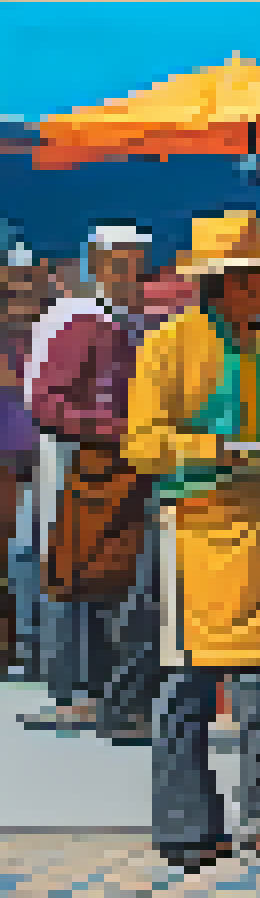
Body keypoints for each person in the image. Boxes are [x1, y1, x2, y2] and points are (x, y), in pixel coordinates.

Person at [122, 211, 260, 872]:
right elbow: (143, 443)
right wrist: (215, 450)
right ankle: (185, 826)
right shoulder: (170, 346)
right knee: (187, 684)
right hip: (193, 532)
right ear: (222, 284)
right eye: (257, 277)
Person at [24, 225, 161, 745]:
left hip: (107, 468)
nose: (135, 279)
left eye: (140, 268)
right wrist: (116, 428)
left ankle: (97, 693)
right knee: (77, 576)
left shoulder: (117, 322)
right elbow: (46, 402)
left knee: (104, 580)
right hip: (80, 469)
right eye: (124, 266)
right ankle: (77, 693)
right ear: (100, 266)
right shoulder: (82, 323)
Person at [1, 243, 43, 673]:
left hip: (35, 456)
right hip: (11, 457)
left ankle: (27, 644)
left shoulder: (49, 335)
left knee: (27, 552)